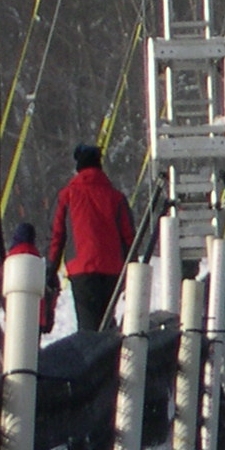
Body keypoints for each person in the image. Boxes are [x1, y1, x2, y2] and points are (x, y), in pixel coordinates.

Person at [47, 143, 136, 333]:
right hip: (112, 270)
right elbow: (129, 237)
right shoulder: (116, 197)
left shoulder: (67, 195)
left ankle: (96, 356)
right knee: (106, 320)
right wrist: (134, 271)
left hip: (82, 270)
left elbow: (57, 235)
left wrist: (51, 269)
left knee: (88, 327)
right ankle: (112, 355)